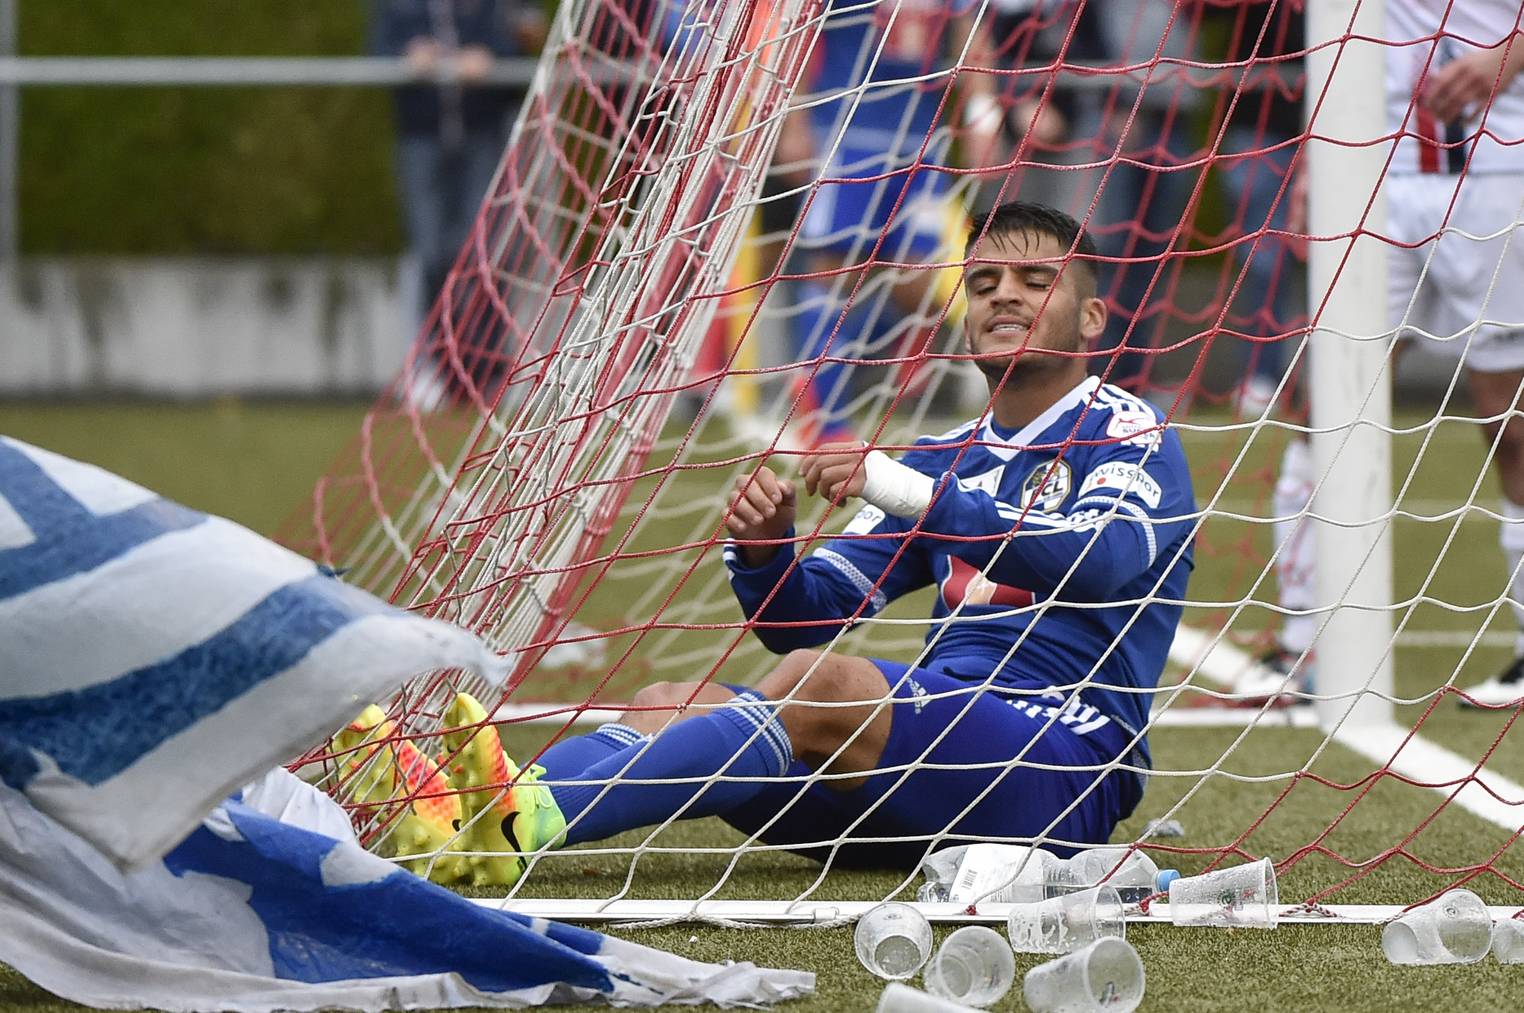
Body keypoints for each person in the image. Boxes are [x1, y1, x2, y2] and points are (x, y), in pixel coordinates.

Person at [359, 201, 1196, 888]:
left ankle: (519, 817)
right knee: (666, 702)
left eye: (1034, 279)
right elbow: (803, 626)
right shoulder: (944, 458)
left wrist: (913, 494)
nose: (1003, 295)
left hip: (1061, 765)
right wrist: (768, 555)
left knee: (819, 687)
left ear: (1090, 315)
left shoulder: (1128, 431)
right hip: (924, 772)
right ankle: (468, 819)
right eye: (983, 282)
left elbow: (1102, 559)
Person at [1261, 0, 1524, 708]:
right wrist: (1320, 158)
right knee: (1326, 396)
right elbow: (1336, 38)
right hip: (1373, 173)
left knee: (1510, 420)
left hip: (1503, 175)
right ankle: (1301, 641)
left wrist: (1514, 49)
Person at [371, 0, 545, 324]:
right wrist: (408, 58)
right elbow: (379, 49)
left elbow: (525, 36)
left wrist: (491, 57)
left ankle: (486, 361)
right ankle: (436, 355)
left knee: (484, 247)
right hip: (421, 135)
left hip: (482, 133)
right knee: (430, 251)